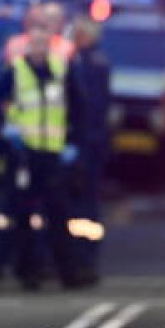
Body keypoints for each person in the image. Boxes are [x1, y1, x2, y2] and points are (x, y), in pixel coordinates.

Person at [0, 22, 83, 289]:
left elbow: (78, 105)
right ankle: (28, 273)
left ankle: (68, 272)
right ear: (27, 45)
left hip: (52, 154)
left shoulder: (61, 70)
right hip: (23, 154)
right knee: (23, 216)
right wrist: (5, 129)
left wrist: (72, 141)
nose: (38, 49)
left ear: (49, 45)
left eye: (43, 43)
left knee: (59, 216)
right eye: (34, 43)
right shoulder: (15, 71)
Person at [66, 16, 110, 285]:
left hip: (87, 145)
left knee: (84, 206)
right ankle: (80, 261)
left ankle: (84, 261)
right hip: (87, 143)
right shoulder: (92, 62)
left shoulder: (89, 65)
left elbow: (88, 108)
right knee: (81, 206)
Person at [3, 1, 75, 63]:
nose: (50, 23)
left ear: (62, 23)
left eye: (54, 19)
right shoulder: (15, 44)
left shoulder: (66, 46)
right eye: (47, 17)